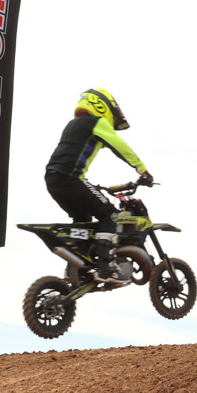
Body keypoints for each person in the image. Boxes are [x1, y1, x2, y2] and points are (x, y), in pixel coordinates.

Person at [44, 89, 154, 284]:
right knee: (110, 215)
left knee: (83, 220)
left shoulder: (73, 125)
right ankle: (106, 268)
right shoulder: (96, 122)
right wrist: (142, 170)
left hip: (53, 180)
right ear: (102, 106)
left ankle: (75, 269)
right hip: (71, 178)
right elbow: (119, 146)